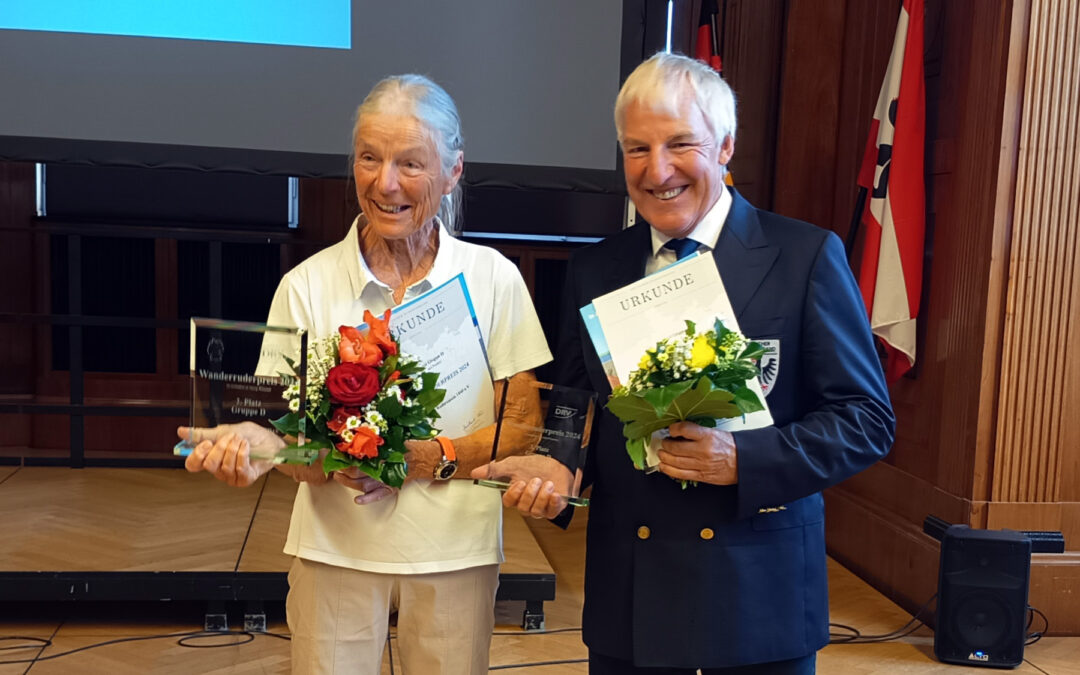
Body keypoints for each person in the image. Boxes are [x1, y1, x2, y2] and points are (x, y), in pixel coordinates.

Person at [476, 52, 896, 674]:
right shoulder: (595, 268)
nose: (658, 170)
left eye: (680, 144)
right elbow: (578, 406)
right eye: (637, 149)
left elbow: (866, 421)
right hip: (631, 600)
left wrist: (745, 460)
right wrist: (559, 470)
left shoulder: (804, 256)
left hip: (757, 597)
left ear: (725, 146)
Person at [180, 74, 551, 675]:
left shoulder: (493, 278)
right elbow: (289, 445)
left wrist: (419, 458)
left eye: (411, 163)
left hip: (456, 553)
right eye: (369, 158)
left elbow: (523, 427)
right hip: (335, 552)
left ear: (453, 171)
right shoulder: (306, 285)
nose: (385, 184)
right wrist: (261, 449)